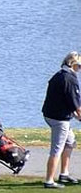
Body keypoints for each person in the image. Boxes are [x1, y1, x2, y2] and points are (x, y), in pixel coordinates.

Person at [42, 51, 81, 189]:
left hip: (49, 114)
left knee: (70, 142)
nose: (80, 69)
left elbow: (66, 100)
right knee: (57, 149)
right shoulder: (70, 79)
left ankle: (64, 174)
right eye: (79, 66)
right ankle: (49, 181)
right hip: (59, 119)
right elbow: (77, 105)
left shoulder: (58, 75)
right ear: (73, 64)